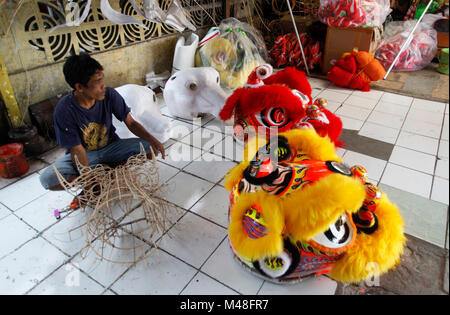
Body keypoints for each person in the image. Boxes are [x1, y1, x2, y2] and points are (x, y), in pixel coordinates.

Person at [39, 53, 165, 193]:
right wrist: (89, 184)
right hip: (85, 155)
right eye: (97, 81)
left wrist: (154, 140)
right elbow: (77, 149)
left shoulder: (109, 94)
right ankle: (97, 175)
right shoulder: (64, 110)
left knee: (150, 149)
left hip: (111, 147)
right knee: (48, 179)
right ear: (80, 87)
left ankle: (108, 172)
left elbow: (131, 123)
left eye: (102, 79)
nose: (103, 85)